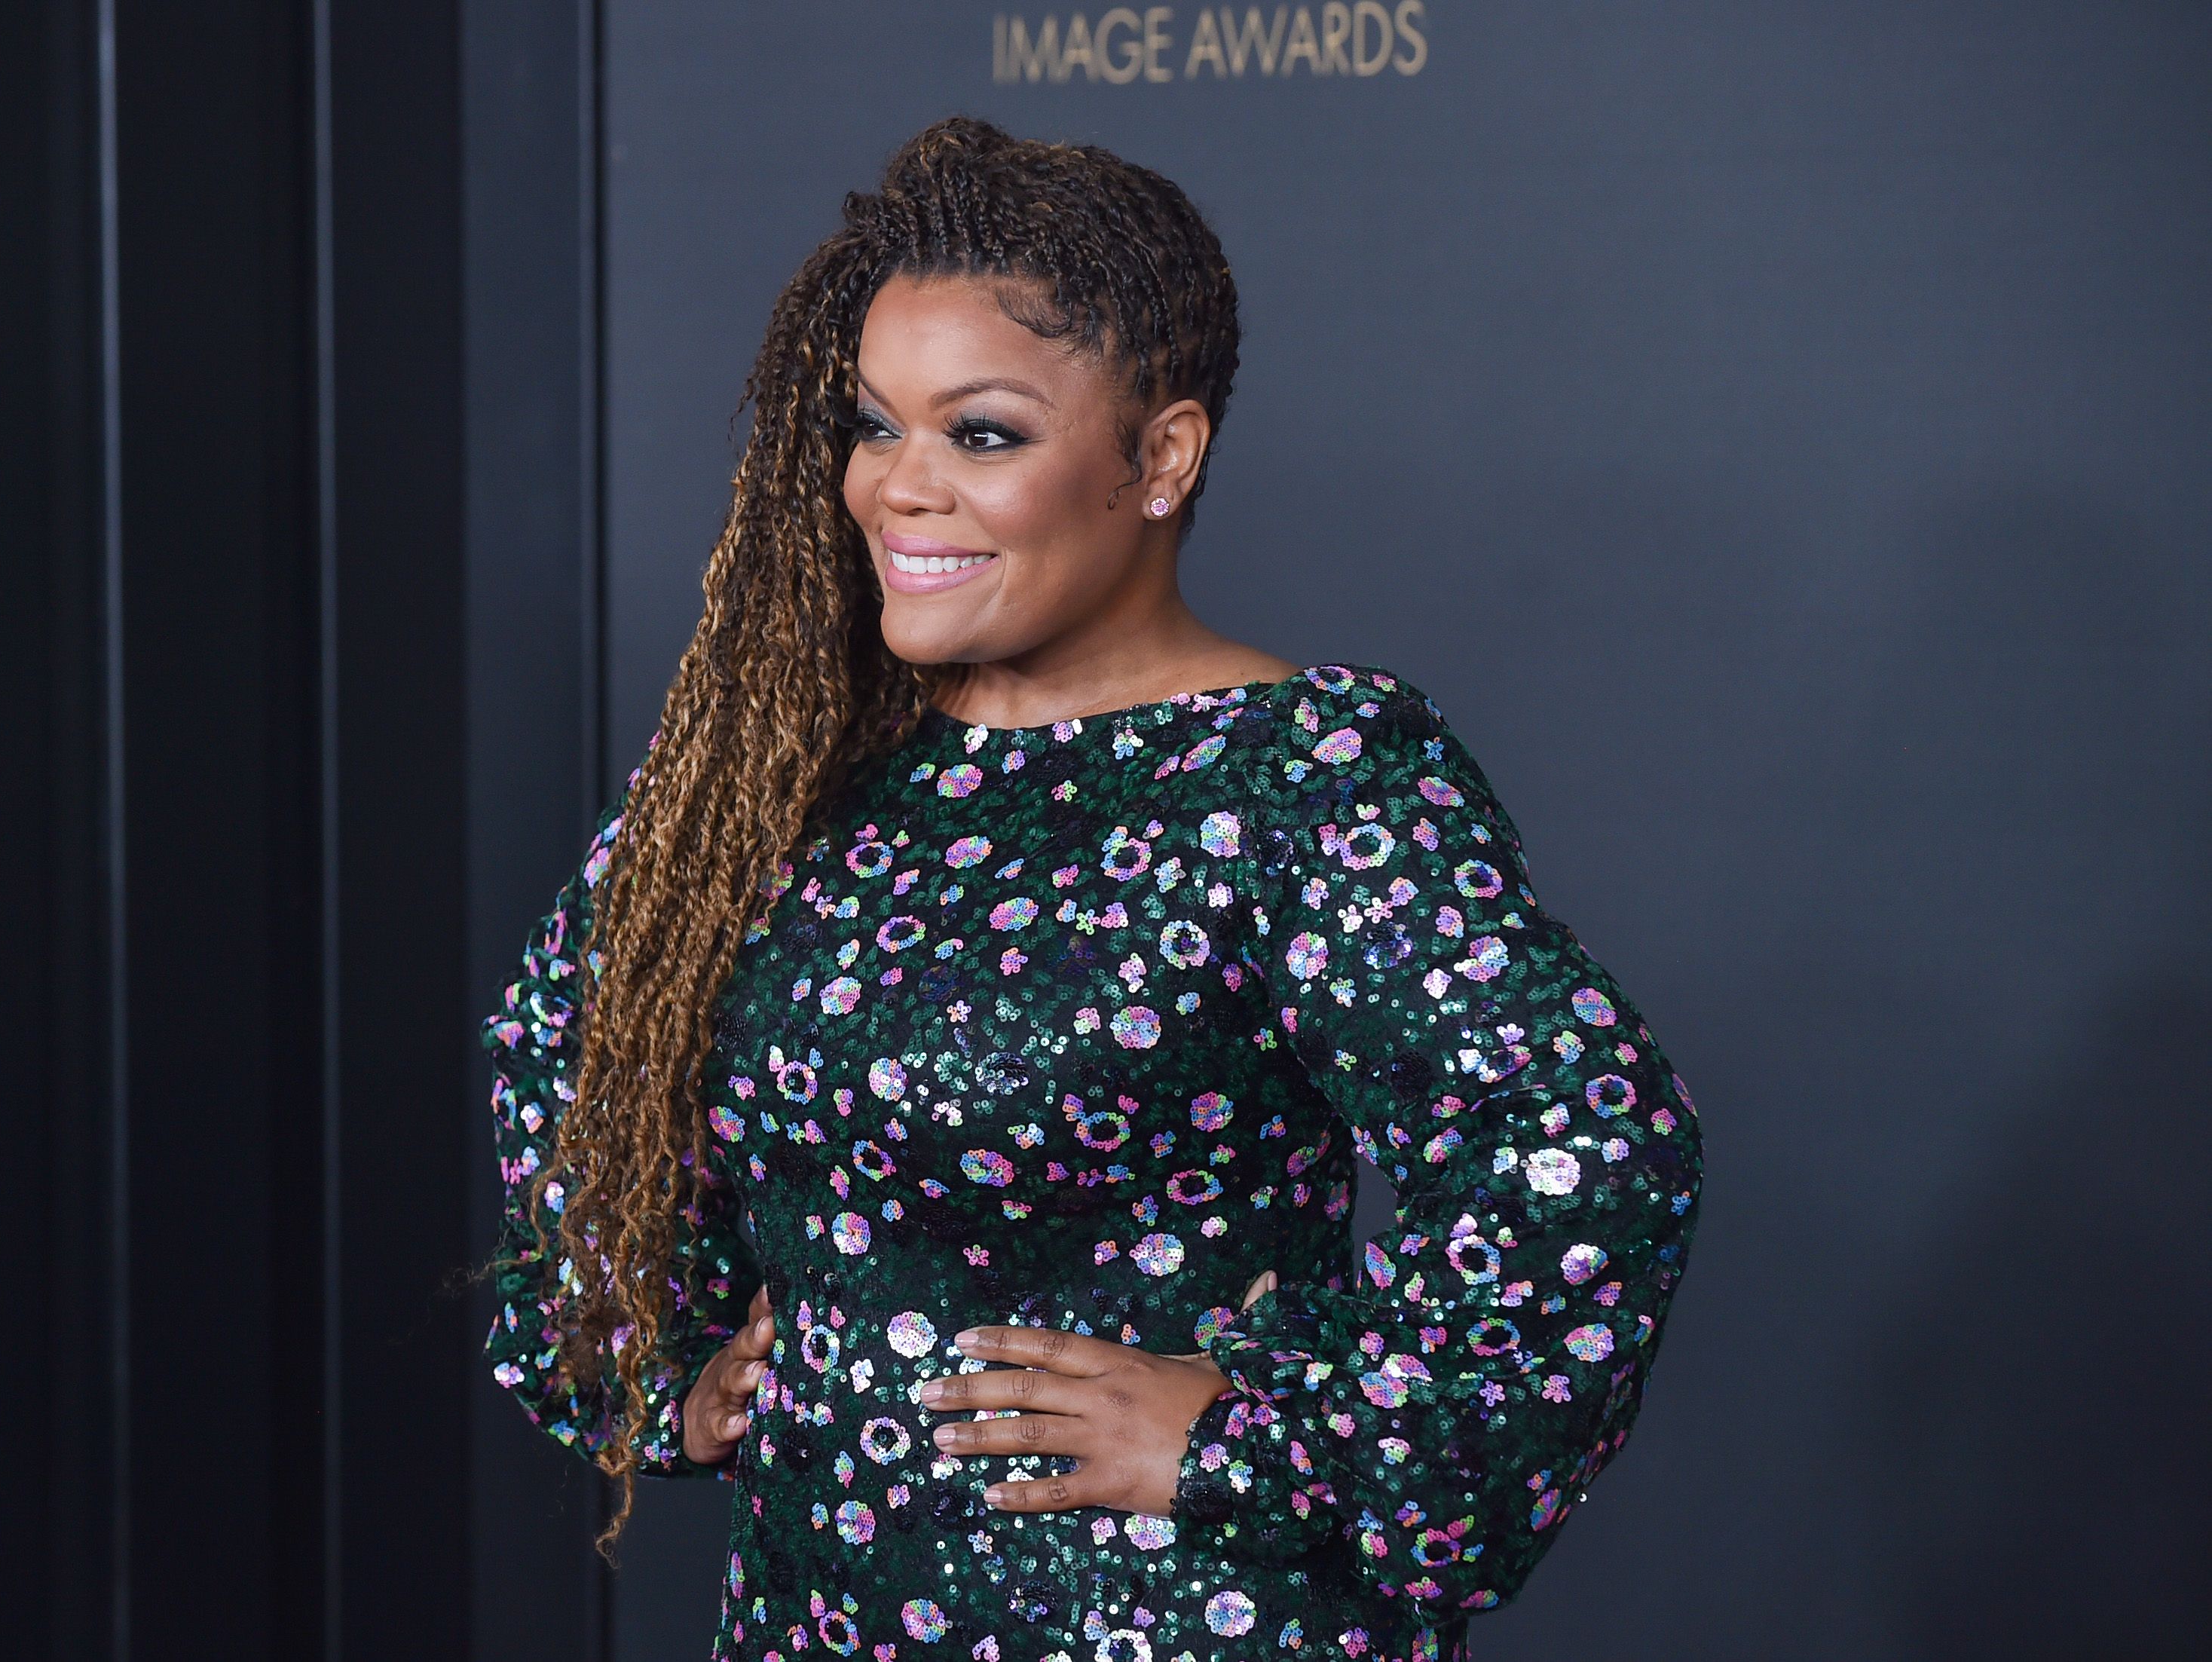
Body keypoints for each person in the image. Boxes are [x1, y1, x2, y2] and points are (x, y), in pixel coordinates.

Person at [484, 117, 1700, 1662]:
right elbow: (569, 1041)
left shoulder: (1300, 776)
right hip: (819, 1615)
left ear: (1162, 456)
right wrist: (663, 1361)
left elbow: (1584, 1150)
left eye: (979, 433)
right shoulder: (784, 763)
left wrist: (1270, 1432)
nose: (897, 489)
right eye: (872, 424)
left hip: (1171, 1615)